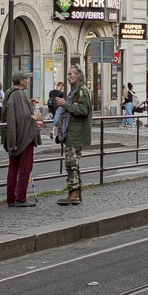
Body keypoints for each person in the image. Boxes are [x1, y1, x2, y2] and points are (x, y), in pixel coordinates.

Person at [56, 65, 92, 206]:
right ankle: (75, 193)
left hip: (76, 133)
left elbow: (83, 110)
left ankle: (74, 194)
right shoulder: (74, 90)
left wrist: (65, 105)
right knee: (73, 164)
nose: (67, 76)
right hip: (71, 132)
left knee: (71, 164)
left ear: (78, 76)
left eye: (70, 74)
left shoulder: (82, 90)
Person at [3, 74, 40, 206]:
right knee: (25, 167)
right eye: (27, 79)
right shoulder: (18, 94)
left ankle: (11, 198)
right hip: (23, 135)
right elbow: (22, 116)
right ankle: (20, 198)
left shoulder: (11, 92)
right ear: (21, 81)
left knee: (13, 167)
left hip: (14, 135)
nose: (28, 81)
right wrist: (35, 117)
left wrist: (28, 104)